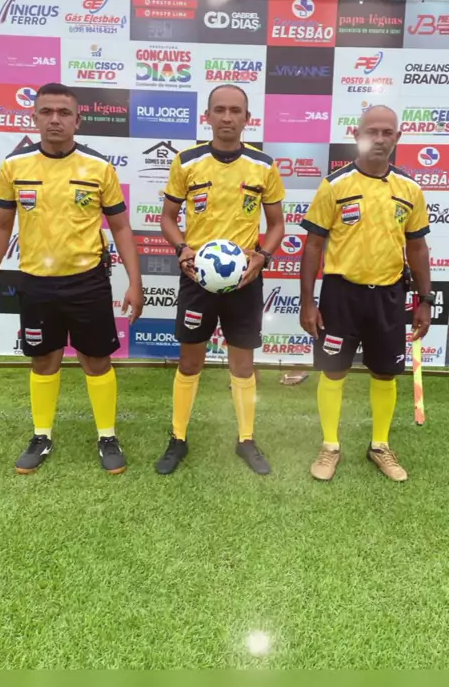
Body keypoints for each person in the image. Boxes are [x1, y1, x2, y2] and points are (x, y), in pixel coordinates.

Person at [0, 82, 143, 475]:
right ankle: (41, 435)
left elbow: (121, 227)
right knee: (43, 360)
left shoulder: (98, 167)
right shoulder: (14, 166)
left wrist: (135, 282)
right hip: (36, 282)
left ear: (77, 120)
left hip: (88, 282)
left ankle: (107, 436)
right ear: (34, 118)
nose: (55, 119)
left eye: (64, 113)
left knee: (96, 360)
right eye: (47, 112)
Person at [155, 84, 285, 475]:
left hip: (244, 280)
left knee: (242, 364)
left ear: (247, 118)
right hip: (197, 278)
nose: (227, 117)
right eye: (220, 110)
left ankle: (246, 439)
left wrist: (262, 257)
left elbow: (277, 225)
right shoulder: (187, 162)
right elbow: (167, 219)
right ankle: (178, 438)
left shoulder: (264, 165)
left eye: (235, 110)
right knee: (190, 360)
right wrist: (182, 249)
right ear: (207, 116)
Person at [299, 105, 431, 483]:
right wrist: (307, 302)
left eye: (387, 132)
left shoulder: (410, 189)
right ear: (357, 135)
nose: (379, 138)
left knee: (385, 373)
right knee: (334, 370)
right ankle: (330, 445)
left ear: (397, 138)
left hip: (388, 295)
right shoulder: (335, 185)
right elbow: (313, 246)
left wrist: (425, 300)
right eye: (372, 131)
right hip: (341, 294)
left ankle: (379, 445)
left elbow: (417, 248)